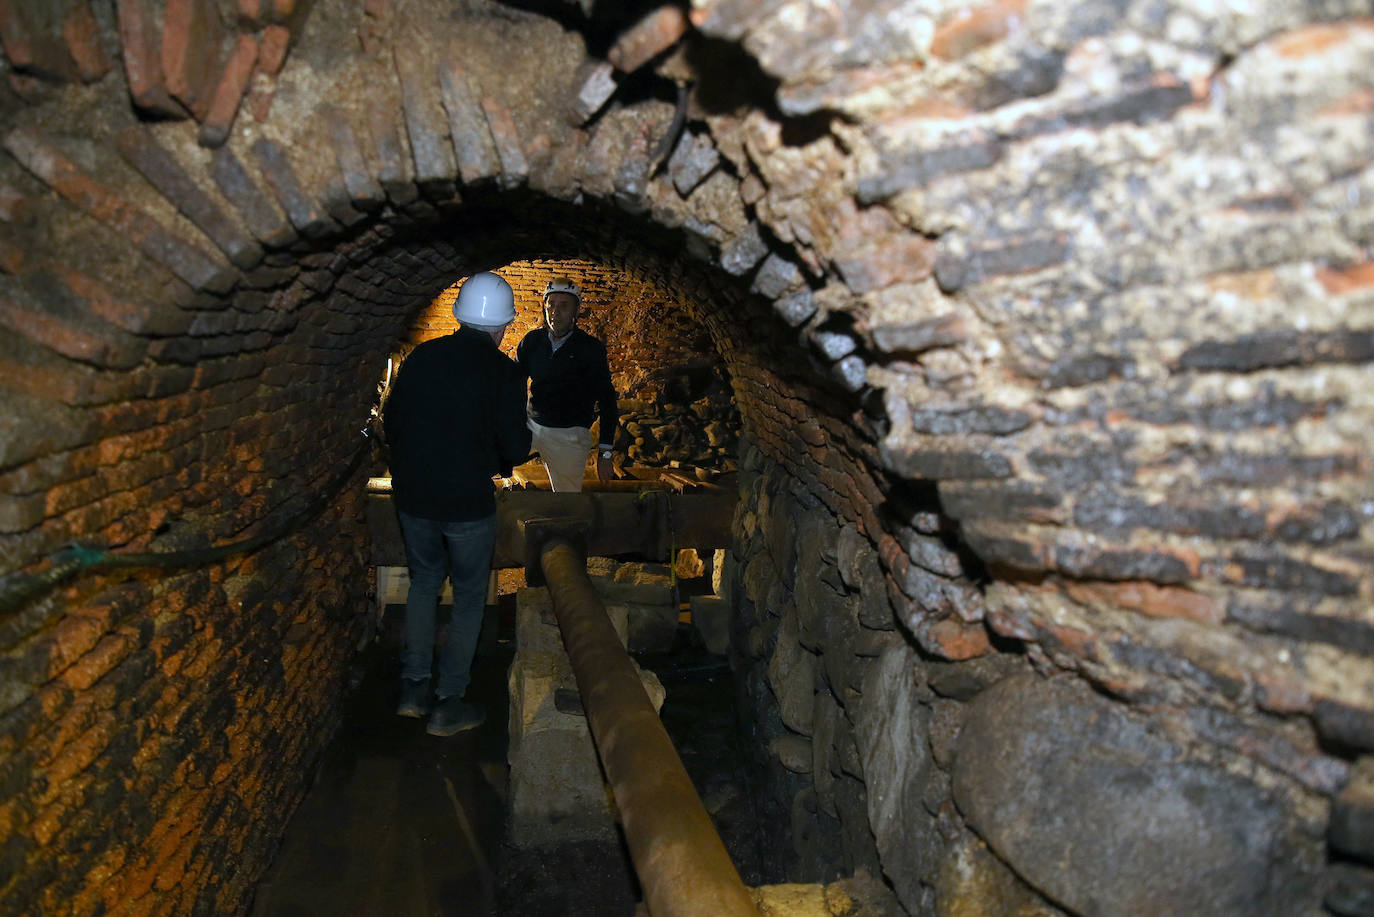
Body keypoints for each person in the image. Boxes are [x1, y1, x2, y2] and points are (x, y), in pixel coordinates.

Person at [383, 271, 531, 736]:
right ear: (502, 325)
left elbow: (392, 421)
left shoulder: (422, 357)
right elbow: (514, 447)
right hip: (467, 503)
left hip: (415, 498)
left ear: (458, 315)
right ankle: (449, 701)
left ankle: (412, 689)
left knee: (424, 584)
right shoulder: (506, 372)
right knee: (469, 597)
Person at [515, 277, 618, 492]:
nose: (555, 311)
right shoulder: (532, 341)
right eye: (551, 304)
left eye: (564, 305)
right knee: (486, 457)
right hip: (531, 426)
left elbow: (607, 401)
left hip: (569, 434)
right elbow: (512, 382)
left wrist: (606, 453)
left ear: (576, 311)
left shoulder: (590, 349)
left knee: (567, 501)